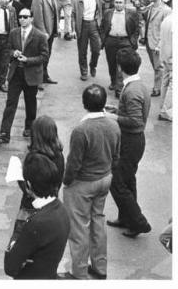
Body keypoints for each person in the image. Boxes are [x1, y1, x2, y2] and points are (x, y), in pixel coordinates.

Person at [59, 85, 120, 280]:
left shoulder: (81, 130)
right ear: (104, 103)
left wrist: (66, 182)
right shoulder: (114, 125)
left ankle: (79, 272)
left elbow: (74, 163)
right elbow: (116, 156)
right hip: (104, 178)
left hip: (83, 183)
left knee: (78, 228)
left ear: (85, 104)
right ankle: (100, 267)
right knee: (98, 222)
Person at [106, 49, 152, 238]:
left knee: (117, 183)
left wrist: (113, 116)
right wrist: (117, 109)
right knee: (128, 180)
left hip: (130, 142)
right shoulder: (138, 85)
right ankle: (126, 218)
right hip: (134, 141)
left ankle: (138, 222)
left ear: (120, 68)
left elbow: (135, 121)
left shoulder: (131, 91)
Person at [4, 152, 70, 279]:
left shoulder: (35, 224)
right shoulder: (62, 211)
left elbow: (10, 267)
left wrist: (15, 238)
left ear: (28, 185)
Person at [0, 8, 49, 143]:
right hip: (16, 74)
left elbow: (44, 56)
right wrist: (14, 53)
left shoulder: (40, 36)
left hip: (31, 74)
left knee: (30, 103)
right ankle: (5, 132)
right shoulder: (14, 33)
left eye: (25, 17)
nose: (22, 19)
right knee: (10, 103)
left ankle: (29, 127)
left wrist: (28, 60)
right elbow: (8, 49)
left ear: (31, 18)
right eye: (20, 17)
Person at [100, 0, 139, 97]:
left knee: (121, 65)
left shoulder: (131, 13)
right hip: (111, 41)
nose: (118, 4)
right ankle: (113, 82)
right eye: (116, 2)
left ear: (124, 3)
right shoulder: (108, 13)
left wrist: (133, 41)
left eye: (120, 2)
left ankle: (119, 88)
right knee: (112, 63)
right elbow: (102, 27)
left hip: (125, 41)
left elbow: (136, 28)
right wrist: (103, 39)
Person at [72, 0, 103, 81]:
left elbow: (104, 4)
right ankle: (84, 71)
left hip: (94, 24)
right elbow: (73, 15)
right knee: (82, 50)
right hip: (82, 25)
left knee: (96, 49)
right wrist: (73, 29)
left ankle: (93, 65)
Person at [144, 0, 171, 97]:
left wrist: (159, 45)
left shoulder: (166, 10)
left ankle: (157, 88)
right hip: (148, 41)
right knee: (155, 66)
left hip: (157, 43)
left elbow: (166, 30)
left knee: (158, 67)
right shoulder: (151, 6)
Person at [31, 0, 58, 85]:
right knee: (41, 56)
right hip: (44, 33)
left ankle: (44, 76)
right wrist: (43, 33)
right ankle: (38, 79)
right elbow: (38, 17)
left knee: (47, 55)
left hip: (50, 31)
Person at [158, 0, 172, 122]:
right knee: (172, 85)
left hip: (166, 57)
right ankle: (166, 111)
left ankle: (162, 106)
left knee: (165, 82)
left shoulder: (167, 19)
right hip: (172, 58)